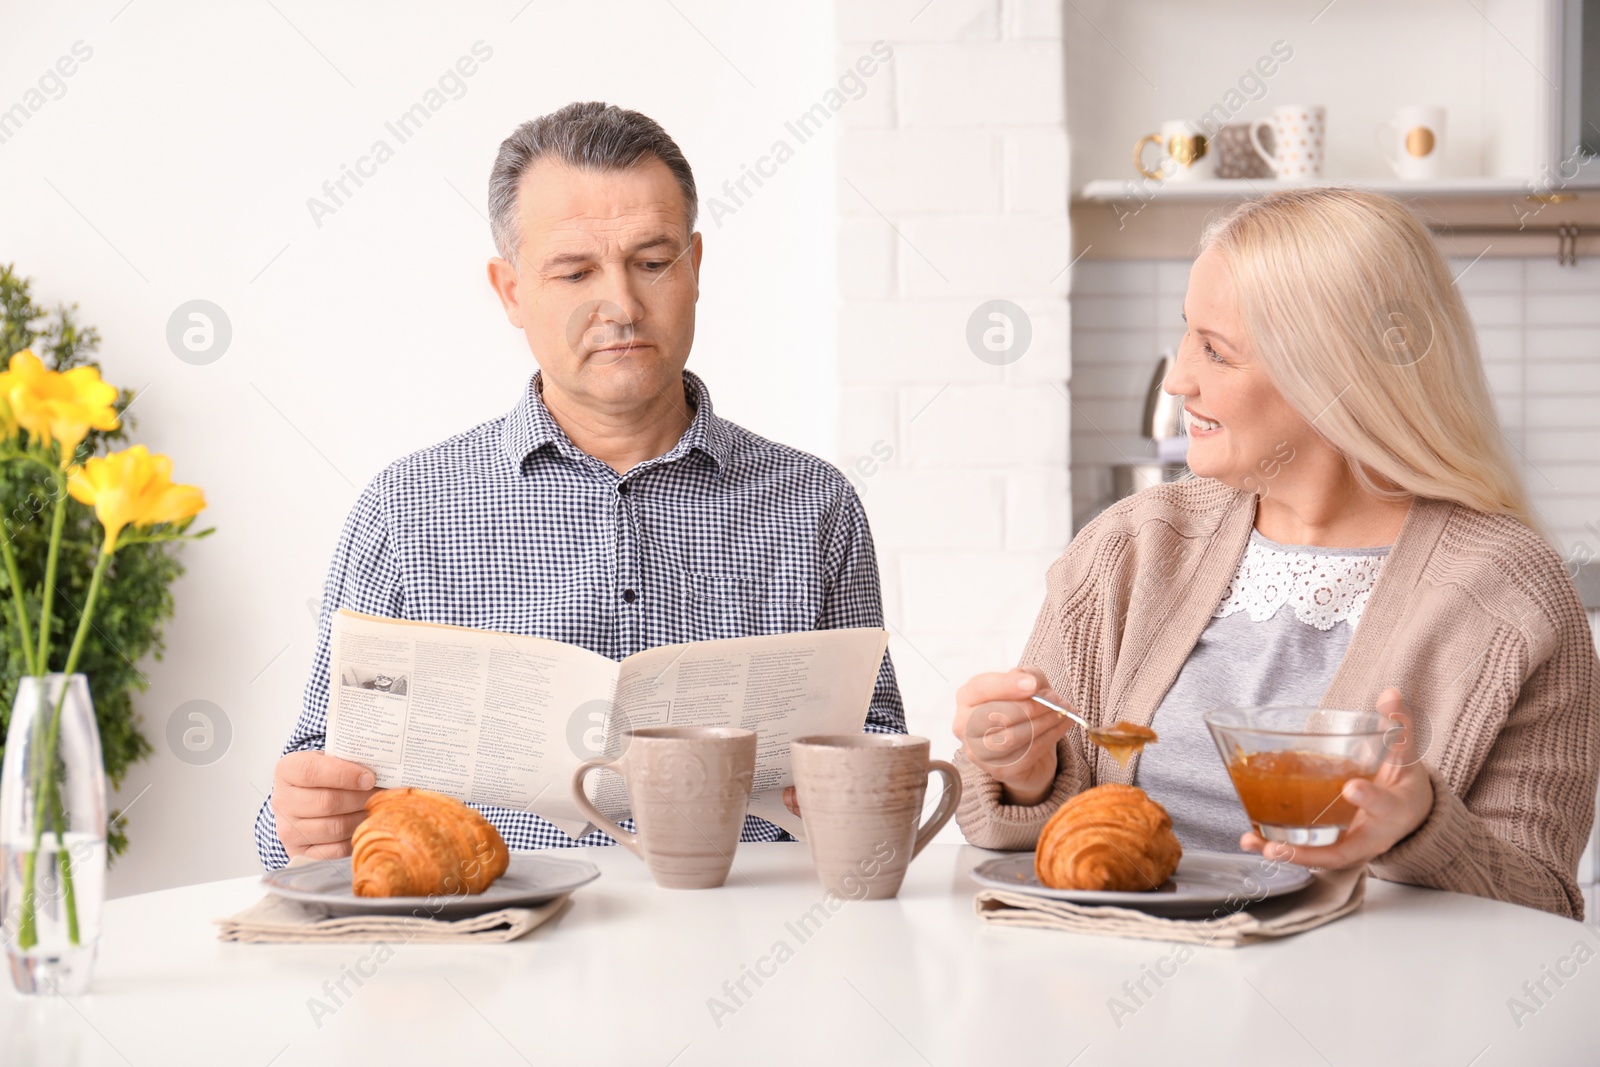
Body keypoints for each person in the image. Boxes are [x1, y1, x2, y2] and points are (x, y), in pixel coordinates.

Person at [254, 102, 905, 868]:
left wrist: (859, 787)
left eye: (652, 260)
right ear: (511, 292)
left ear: (695, 267)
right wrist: (300, 819)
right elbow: (304, 801)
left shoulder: (814, 504)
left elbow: (887, 755)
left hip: (749, 939)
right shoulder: (406, 511)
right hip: (493, 953)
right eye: (574, 271)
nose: (622, 306)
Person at [951, 187, 1600, 918]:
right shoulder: (1130, 547)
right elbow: (1025, 844)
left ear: (1334, 379)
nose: (1178, 379)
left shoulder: (1510, 597)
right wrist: (1025, 771)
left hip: (1368, 1021)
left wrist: (1420, 826)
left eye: (1216, 351)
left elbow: (1545, 904)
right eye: (1186, 335)